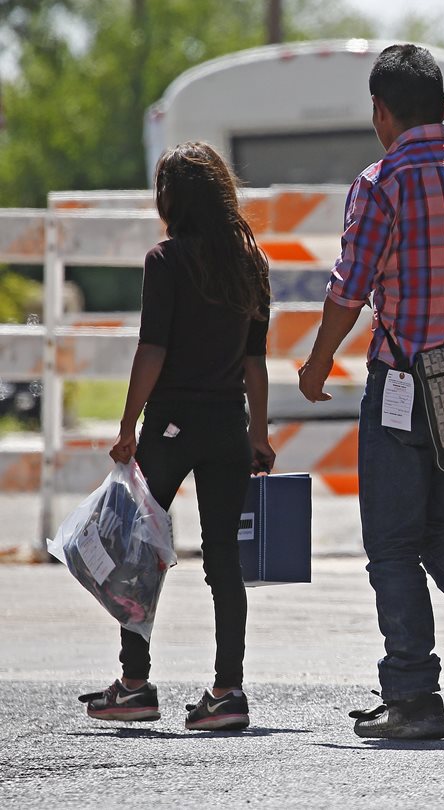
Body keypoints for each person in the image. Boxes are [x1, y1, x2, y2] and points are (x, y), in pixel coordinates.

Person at [297, 44, 444, 740]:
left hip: (405, 384)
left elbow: (349, 290)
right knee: (443, 527)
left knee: (393, 546)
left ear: (381, 111)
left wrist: (317, 364)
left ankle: (412, 696)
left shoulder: (381, 183)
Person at [82, 141, 274, 731]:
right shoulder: (250, 262)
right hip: (227, 428)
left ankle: (135, 685)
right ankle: (228, 692)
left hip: (169, 425)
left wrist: (126, 427)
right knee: (223, 562)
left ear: (174, 198)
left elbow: (153, 350)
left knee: (140, 549)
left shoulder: (164, 261)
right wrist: (259, 436)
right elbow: (254, 363)